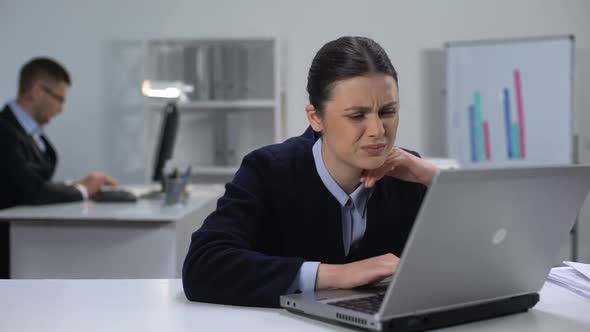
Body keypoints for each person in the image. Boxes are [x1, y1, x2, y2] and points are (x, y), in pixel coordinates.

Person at [182, 37, 438, 308]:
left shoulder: (410, 174)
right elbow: (203, 265)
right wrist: (336, 274)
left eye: (388, 111)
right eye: (357, 115)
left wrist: (434, 179)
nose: (377, 130)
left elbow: (470, 262)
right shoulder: (268, 170)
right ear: (316, 117)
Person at [0, 57, 119, 278]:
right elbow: (31, 190)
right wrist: (83, 190)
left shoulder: (30, 134)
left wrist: (74, 185)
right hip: (8, 254)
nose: (61, 109)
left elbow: (25, 180)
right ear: (37, 91)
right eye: (59, 99)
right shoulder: (5, 133)